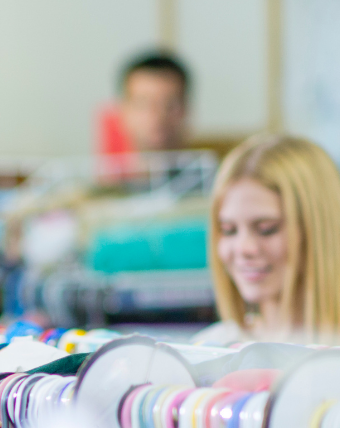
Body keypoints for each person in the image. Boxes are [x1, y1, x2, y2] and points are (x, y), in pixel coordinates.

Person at [197, 133, 340, 345]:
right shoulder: (211, 348)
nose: (244, 248)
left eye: (267, 229)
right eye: (228, 230)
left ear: (318, 230)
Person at [97, 50, 191, 155]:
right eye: (142, 104)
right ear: (123, 110)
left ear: (186, 108)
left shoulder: (210, 169)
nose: (156, 116)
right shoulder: (96, 170)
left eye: (170, 105)